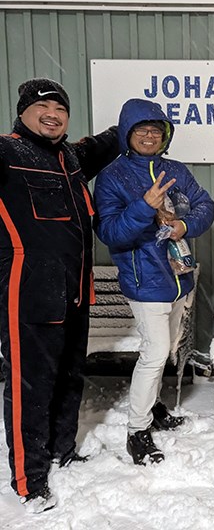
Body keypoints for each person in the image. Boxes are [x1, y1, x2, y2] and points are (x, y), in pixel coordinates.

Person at [0, 78, 119, 513]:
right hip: (28, 294)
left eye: (61, 108)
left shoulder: (68, 157)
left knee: (69, 377)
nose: (53, 114)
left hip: (74, 293)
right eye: (43, 106)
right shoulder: (8, 153)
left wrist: (143, 118)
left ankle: (60, 452)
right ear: (24, 110)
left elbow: (105, 143)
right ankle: (29, 480)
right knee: (30, 387)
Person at [94, 98, 214, 466]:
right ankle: (137, 431)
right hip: (144, 280)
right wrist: (145, 206)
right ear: (127, 134)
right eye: (141, 129)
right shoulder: (113, 177)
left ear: (165, 135)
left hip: (179, 278)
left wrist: (183, 225)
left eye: (156, 129)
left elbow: (204, 205)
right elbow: (110, 231)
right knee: (155, 352)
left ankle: (155, 406)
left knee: (170, 345)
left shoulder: (176, 168)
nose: (149, 136)